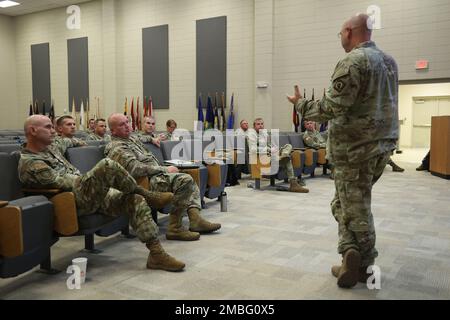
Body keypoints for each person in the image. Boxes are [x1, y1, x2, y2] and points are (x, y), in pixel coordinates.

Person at [287, 13, 399, 288]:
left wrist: (300, 105)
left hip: (355, 150)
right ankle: (349, 254)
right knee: (344, 203)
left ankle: (367, 268)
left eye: (340, 34)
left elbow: (331, 108)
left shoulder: (353, 61)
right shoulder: (389, 62)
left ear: (349, 31)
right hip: (380, 147)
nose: (341, 38)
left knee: (358, 208)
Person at [18, 115, 184, 272]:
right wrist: (91, 178)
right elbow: (65, 183)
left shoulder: (51, 148)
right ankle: (148, 194)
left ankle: (156, 254)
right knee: (106, 165)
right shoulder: (31, 163)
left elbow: (68, 140)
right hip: (70, 203)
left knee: (135, 199)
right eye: (48, 127)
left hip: (86, 195)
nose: (53, 130)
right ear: (33, 131)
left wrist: (80, 144)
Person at [105, 113, 221, 241]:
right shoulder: (117, 147)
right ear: (113, 131)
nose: (127, 126)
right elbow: (135, 169)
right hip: (143, 182)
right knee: (184, 180)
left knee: (188, 175)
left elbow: (144, 138)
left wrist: (153, 139)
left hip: (155, 175)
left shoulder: (131, 139)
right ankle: (175, 229)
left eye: (127, 122)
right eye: (122, 124)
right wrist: (165, 169)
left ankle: (195, 220)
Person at [247, 118, 309, 193]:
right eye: (258, 124)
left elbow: (268, 145)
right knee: (287, 159)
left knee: (288, 146)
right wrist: (269, 150)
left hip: (271, 155)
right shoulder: (251, 135)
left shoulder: (264, 134)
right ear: (254, 126)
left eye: (262, 124)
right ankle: (293, 183)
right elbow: (253, 149)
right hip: (261, 158)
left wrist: (273, 148)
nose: (260, 126)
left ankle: (283, 155)